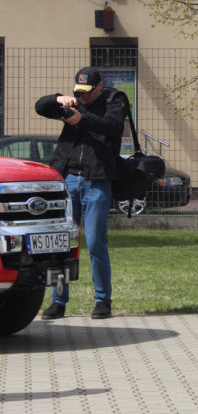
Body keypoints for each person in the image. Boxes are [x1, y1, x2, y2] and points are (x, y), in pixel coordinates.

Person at [35, 67, 126, 319]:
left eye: (87, 92)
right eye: (78, 92)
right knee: (61, 243)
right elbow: (40, 107)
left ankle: (102, 300)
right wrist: (58, 99)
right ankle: (58, 301)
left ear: (99, 86)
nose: (82, 97)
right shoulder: (74, 102)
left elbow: (112, 126)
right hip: (68, 180)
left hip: (96, 181)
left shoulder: (113, 100)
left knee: (95, 242)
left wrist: (81, 120)